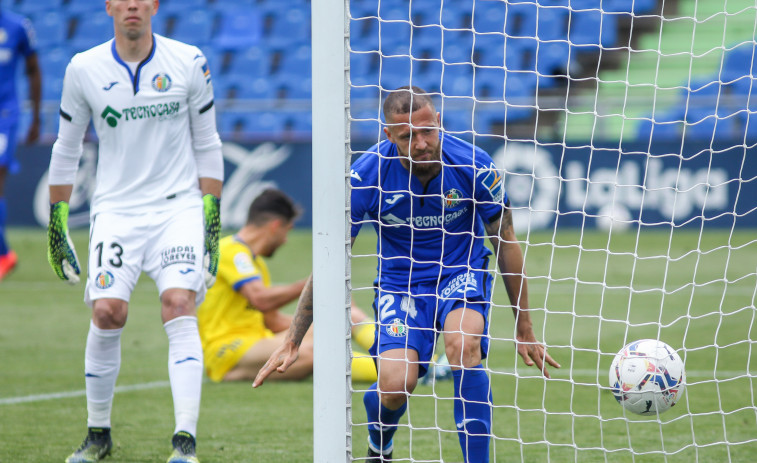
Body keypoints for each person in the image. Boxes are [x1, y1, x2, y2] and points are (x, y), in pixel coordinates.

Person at [253, 86, 560, 463]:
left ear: (439, 123)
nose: (420, 143)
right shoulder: (365, 176)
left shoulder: (475, 165)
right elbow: (331, 259)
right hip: (400, 286)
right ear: (388, 135)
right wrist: (292, 340)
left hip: (460, 272)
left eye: (427, 131)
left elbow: (506, 241)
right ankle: (380, 439)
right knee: (397, 387)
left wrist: (524, 326)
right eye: (407, 136)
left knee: (463, 347)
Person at [46, 1, 223, 462]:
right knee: (107, 312)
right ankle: (98, 435)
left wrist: (212, 217)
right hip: (117, 211)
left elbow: (207, 142)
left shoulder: (189, 61)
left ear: (154, 5)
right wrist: (57, 220)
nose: (131, 6)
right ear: (108, 6)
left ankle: (185, 444)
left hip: (177, 209)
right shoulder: (83, 68)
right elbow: (66, 147)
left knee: (179, 303)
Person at [198, 188, 377, 384]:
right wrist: (315, 283)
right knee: (318, 351)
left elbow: (272, 321)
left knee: (343, 318)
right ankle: (395, 374)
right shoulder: (231, 250)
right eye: (287, 230)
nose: (285, 240)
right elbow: (260, 299)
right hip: (227, 347)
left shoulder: (256, 264)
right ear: (275, 226)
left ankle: (398, 362)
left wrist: (325, 324)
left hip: (256, 341)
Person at [0, 6, 41, 281]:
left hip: (5, 115)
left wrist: (36, 118)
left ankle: (3, 255)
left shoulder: (17, 26)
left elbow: (33, 71)